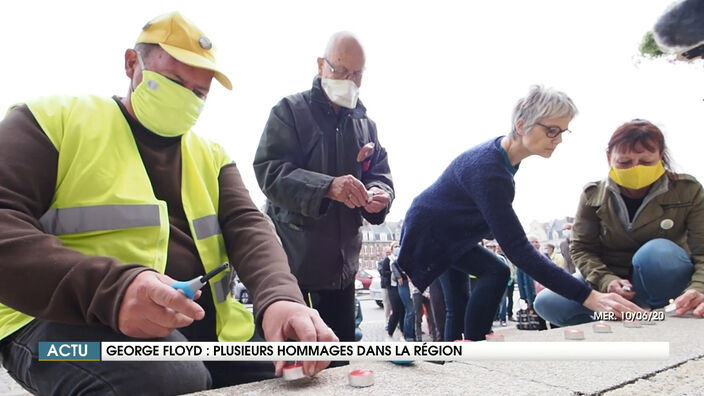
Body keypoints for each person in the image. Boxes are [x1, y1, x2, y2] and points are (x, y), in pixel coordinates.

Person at [0, 12, 336, 395]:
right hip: (58, 319)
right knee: (166, 378)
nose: (186, 100)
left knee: (315, 361)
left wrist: (281, 300)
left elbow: (250, 229)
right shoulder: (52, 121)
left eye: (198, 93)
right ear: (132, 64)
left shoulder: (210, 155)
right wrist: (113, 289)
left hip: (202, 338)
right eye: (174, 82)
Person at [396, 85, 644, 341]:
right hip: (432, 232)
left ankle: (458, 357)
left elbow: (480, 210)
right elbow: (518, 249)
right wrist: (588, 296)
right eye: (552, 130)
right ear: (522, 124)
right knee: (494, 274)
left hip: (451, 232)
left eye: (562, 132)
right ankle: (473, 349)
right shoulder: (489, 169)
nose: (558, 139)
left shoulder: (503, 160)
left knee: (462, 299)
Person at [253, 31, 394, 344]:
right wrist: (328, 187)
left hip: (343, 270)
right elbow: (269, 172)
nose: (349, 80)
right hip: (294, 267)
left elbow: (380, 172)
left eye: (357, 74)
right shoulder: (289, 111)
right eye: (341, 71)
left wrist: (380, 195)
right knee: (292, 365)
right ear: (320, 65)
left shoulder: (365, 123)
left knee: (340, 360)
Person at [534, 119, 704, 325]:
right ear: (609, 158)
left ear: (661, 156)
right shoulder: (593, 195)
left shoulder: (687, 190)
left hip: (665, 278)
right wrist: (607, 281)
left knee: (657, 253)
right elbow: (581, 248)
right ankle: (618, 317)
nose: (635, 169)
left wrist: (699, 287)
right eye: (625, 162)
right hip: (613, 283)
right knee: (548, 302)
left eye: (646, 162)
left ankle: (665, 316)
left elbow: (701, 250)